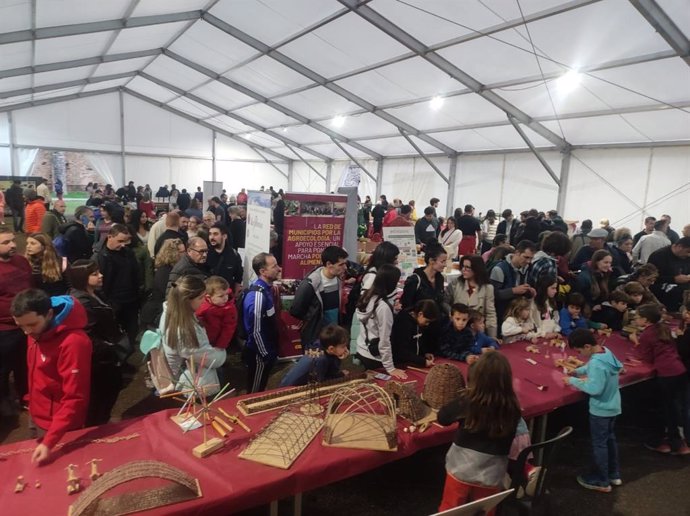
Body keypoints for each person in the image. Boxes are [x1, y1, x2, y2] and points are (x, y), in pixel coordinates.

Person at [11, 289, 91, 464]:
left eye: (31, 325)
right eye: (21, 326)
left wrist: (50, 441)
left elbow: (75, 397)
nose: (26, 332)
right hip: (37, 413)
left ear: (48, 314)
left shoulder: (74, 342)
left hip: (59, 424)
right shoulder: (35, 331)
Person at [437, 352, 521, 513]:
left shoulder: (467, 402)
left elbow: (443, 417)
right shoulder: (513, 407)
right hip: (492, 472)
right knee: (487, 510)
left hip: (461, 469)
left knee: (450, 508)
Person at [563, 328, 623, 492]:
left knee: (599, 445)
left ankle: (601, 480)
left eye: (580, 350)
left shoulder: (596, 363)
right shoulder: (605, 352)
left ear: (588, 346)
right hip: (614, 406)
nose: (580, 354)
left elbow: (594, 388)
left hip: (600, 410)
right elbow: (594, 367)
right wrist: (578, 370)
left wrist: (573, 380)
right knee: (610, 440)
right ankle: (613, 474)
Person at [66, 260, 123, 426]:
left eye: (99, 272)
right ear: (81, 277)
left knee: (109, 393)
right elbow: (88, 335)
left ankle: (102, 421)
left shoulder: (94, 293)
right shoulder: (81, 302)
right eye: (95, 274)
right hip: (98, 360)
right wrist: (109, 348)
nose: (101, 276)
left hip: (106, 355)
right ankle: (97, 427)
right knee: (99, 398)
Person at [629, 304, 689, 455]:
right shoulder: (664, 328)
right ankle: (681, 442)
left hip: (666, 374)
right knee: (679, 407)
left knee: (667, 409)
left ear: (645, 320)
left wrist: (635, 341)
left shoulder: (647, 334)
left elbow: (645, 357)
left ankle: (670, 441)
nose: (635, 320)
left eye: (637, 317)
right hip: (680, 370)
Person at [160, 275, 226, 395]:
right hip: (192, 384)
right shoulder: (183, 330)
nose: (204, 301)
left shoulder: (173, 313)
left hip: (190, 376)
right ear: (187, 300)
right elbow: (205, 357)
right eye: (201, 298)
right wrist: (221, 354)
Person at [0, 227, 33, 416]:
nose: (13, 244)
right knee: (3, 369)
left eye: (12, 240)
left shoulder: (21, 261)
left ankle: (25, 396)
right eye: (6, 242)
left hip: (28, 325)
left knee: (25, 363)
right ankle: (4, 400)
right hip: (4, 329)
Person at [93, 224, 140, 355]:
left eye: (125, 241)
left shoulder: (128, 254)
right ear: (109, 237)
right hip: (113, 302)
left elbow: (136, 274)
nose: (123, 245)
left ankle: (127, 358)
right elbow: (99, 285)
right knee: (115, 336)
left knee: (131, 332)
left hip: (131, 301)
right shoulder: (100, 257)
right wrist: (107, 303)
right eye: (120, 241)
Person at [290, 246, 348, 348]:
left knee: (331, 363)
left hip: (333, 337)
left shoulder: (338, 280)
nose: (345, 267)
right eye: (341, 264)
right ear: (329, 264)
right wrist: (312, 319)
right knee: (314, 363)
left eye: (345, 264)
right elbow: (296, 310)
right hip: (314, 339)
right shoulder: (310, 284)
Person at [355, 264, 405, 379]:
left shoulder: (367, 296)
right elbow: (384, 340)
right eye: (396, 282)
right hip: (374, 356)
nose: (397, 285)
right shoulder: (383, 307)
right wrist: (391, 368)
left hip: (362, 347)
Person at [242, 252, 281, 393]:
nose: (279, 268)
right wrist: (265, 355)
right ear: (263, 271)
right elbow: (255, 331)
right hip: (259, 354)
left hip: (266, 351)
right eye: (274, 266)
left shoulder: (266, 289)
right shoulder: (257, 295)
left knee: (261, 385)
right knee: (254, 391)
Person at [279, 324, 350, 387]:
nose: (346, 349)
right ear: (331, 349)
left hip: (288, 383)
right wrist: (340, 375)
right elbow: (321, 383)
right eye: (343, 347)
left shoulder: (321, 345)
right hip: (290, 390)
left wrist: (338, 357)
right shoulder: (320, 359)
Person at [445, 255, 498, 338]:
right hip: (457, 329)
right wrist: (452, 315)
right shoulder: (456, 283)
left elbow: (490, 314)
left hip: (476, 331)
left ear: (476, 269)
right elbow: (445, 302)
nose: (463, 270)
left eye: (467, 267)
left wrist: (492, 337)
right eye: (462, 266)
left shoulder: (488, 288)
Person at [490, 240, 537, 330]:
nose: (528, 261)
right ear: (517, 253)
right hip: (502, 316)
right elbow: (493, 295)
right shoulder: (499, 269)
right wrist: (513, 290)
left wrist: (530, 292)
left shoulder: (528, 269)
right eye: (526, 257)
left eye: (531, 258)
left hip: (519, 316)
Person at [140, 238, 186, 330]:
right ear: (173, 253)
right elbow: (167, 293)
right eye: (182, 252)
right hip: (156, 314)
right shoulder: (164, 271)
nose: (185, 254)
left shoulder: (175, 269)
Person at [391, 299, 439, 369]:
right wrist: (423, 361)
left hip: (413, 362)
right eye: (426, 321)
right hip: (401, 364)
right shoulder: (403, 322)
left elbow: (418, 340)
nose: (427, 324)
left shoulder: (418, 321)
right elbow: (402, 350)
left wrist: (424, 354)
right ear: (420, 314)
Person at [400, 242, 447, 312]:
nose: (445, 265)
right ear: (431, 261)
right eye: (442, 261)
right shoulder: (415, 280)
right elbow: (406, 306)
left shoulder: (440, 278)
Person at [647, 237, 690, 312]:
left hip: (684, 287)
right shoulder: (658, 256)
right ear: (679, 247)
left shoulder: (686, 258)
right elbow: (649, 278)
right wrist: (673, 279)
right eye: (688, 252)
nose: (688, 255)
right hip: (662, 289)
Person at [196, 276, 237, 350]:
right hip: (201, 340)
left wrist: (220, 346)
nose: (225, 298)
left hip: (215, 343)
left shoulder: (228, 309)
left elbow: (228, 329)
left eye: (227, 294)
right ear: (208, 297)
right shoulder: (201, 303)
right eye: (221, 296)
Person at [206, 223, 243, 292]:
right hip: (209, 295)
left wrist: (235, 294)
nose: (211, 237)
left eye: (215, 234)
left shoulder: (234, 255)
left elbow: (238, 276)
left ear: (224, 236)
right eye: (210, 234)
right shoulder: (205, 253)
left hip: (227, 295)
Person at [576, 249, 613, 313]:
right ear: (596, 262)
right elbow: (582, 297)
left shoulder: (604, 275)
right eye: (605, 262)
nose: (608, 265)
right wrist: (592, 306)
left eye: (610, 263)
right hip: (586, 310)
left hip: (598, 306)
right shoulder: (585, 276)